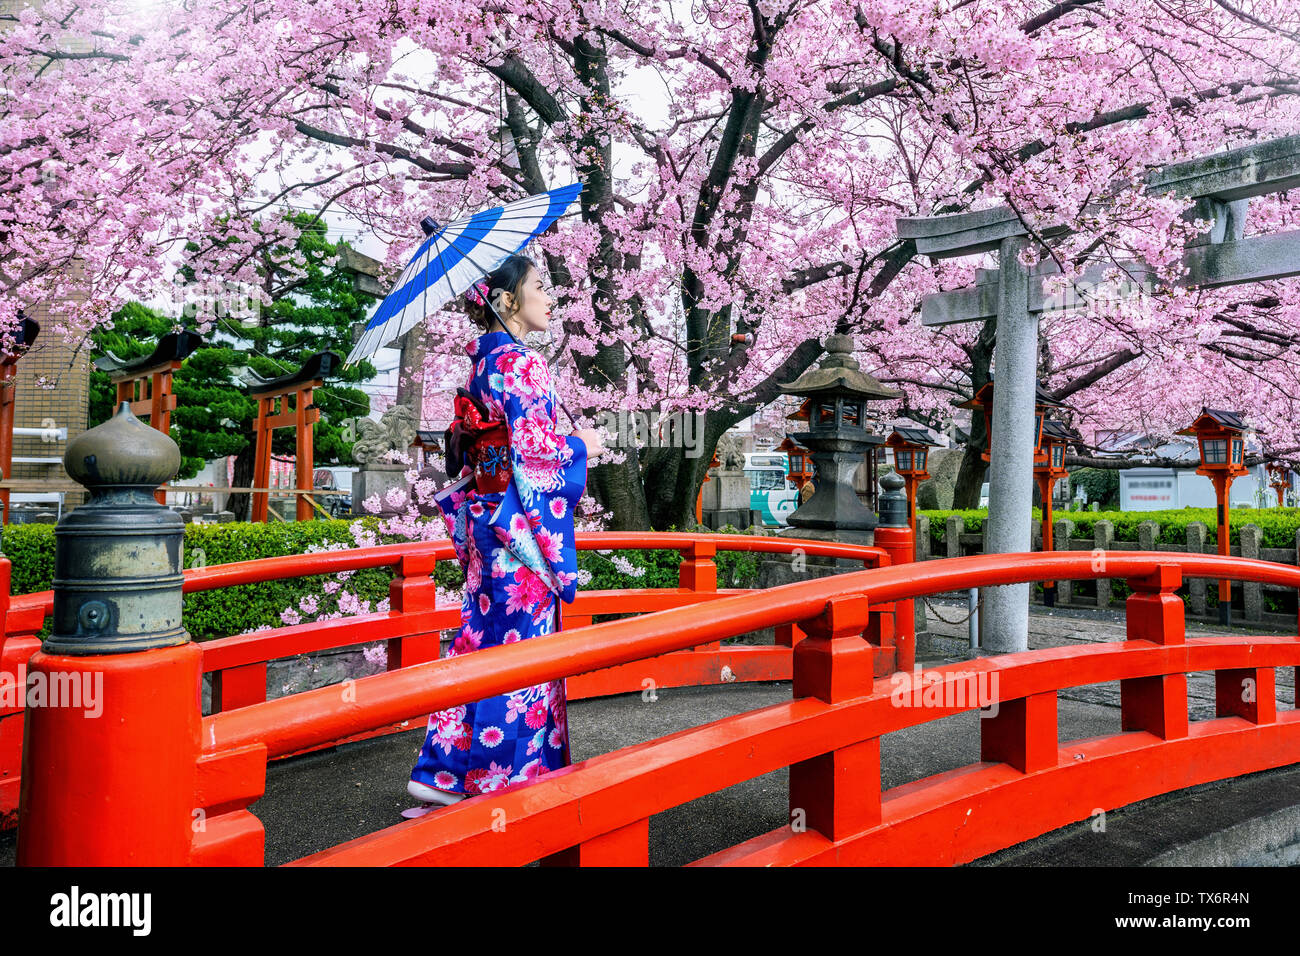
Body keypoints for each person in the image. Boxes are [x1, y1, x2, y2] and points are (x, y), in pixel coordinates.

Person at [404, 255, 604, 816]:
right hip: (519, 537)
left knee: (480, 643)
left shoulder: (482, 364)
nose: (548, 297)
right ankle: (509, 780)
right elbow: (535, 454)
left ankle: (441, 771)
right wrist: (582, 443)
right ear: (507, 301)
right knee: (518, 652)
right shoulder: (520, 363)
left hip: (489, 528)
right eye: (538, 287)